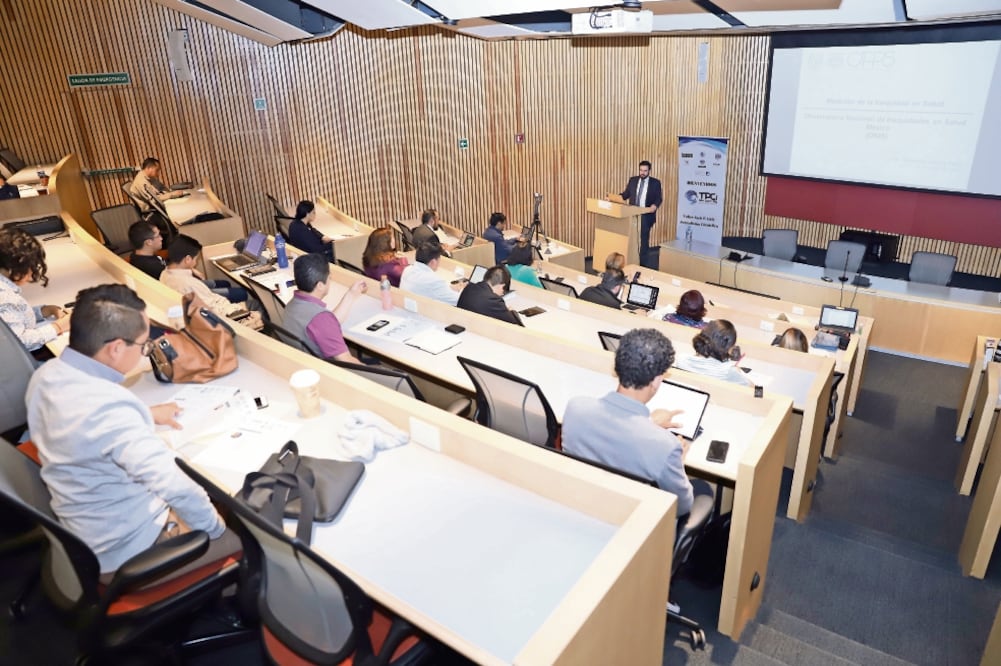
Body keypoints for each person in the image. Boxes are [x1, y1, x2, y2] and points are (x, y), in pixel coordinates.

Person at [25, 283, 240, 582]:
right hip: (129, 551)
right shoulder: (109, 408)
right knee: (246, 537)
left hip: (88, 527)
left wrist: (146, 415)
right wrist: (215, 531)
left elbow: (84, 429)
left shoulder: (44, 377)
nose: (143, 354)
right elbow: (174, 486)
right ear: (115, 348)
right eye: (142, 346)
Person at [563, 328, 711, 518]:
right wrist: (679, 462)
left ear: (617, 367)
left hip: (580, 505)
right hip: (632, 524)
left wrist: (648, 423)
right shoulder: (665, 445)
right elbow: (682, 508)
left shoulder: (576, 408)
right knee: (703, 489)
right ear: (657, 380)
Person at [283, 252, 367, 362]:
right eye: (329, 277)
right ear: (320, 286)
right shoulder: (321, 319)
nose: (330, 279)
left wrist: (351, 295)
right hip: (328, 371)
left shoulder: (292, 305)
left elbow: (326, 325)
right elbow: (347, 361)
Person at [0, 228, 70, 352]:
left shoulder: (5, 291)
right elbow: (20, 342)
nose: (33, 273)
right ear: (14, 270)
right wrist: (59, 326)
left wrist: (47, 310)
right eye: (31, 267)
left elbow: (15, 317)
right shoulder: (5, 299)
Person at [160, 235, 257, 322]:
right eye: (196, 259)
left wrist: (190, 269)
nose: (196, 263)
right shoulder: (189, 284)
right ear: (188, 259)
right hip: (225, 316)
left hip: (211, 308)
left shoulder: (165, 274)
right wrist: (237, 307)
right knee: (257, 304)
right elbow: (214, 311)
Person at [675, 319, 753, 385]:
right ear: (729, 347)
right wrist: (739, 372)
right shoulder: (728, 371)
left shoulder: (682, 359)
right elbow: (758, 392)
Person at [614, 160, 662, 266]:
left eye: (645, 171)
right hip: (632, 215)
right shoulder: (633, 180)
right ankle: (631, 261)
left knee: (643, 241)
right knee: (631, 239)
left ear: (649, 171)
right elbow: (625, 195)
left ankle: (643, 265)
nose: (642, 173)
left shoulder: (655, 183)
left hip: (646, 215)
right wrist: (613, 198)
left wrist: (655, 205)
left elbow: (659, 198)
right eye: (641, 170)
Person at [400, 242, 464, 306]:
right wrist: (462, 289)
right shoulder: (433, 280)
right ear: (433, 262)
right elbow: (458, 300)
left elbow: (435, 289)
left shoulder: (407, 270)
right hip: (424, 313)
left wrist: (451, 287)